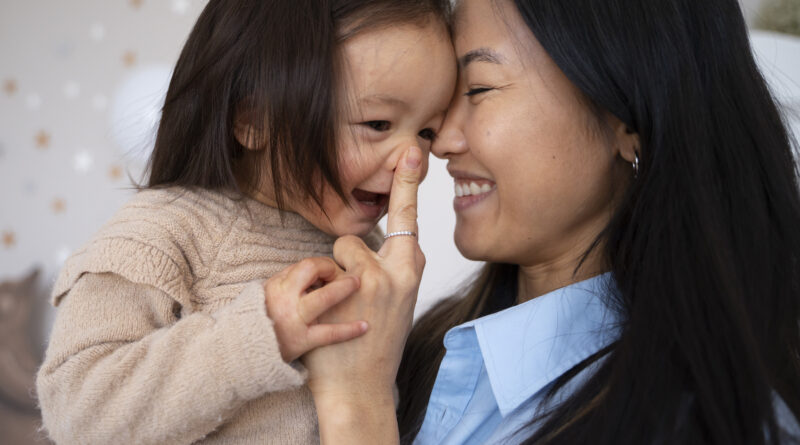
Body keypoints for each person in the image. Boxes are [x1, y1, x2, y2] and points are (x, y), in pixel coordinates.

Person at [302, 0, 800, 444]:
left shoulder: (701, 422)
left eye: (478, 88)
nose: (441, 140)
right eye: (448, 96)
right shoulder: (420, 348)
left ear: (626, 121)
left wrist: (359, 410)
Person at [35, 0, 456, 443]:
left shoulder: (370, 253)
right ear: (254, 119)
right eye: (377, 123)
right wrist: (259, 333)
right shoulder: (164, 233)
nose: (412, 161)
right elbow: (76, 411)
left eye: (427, 131)